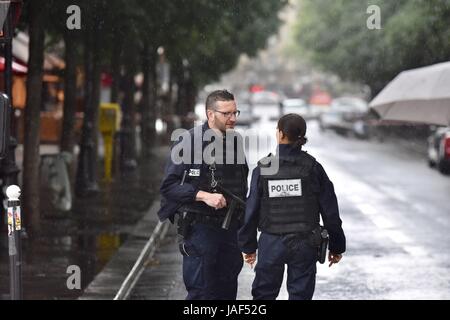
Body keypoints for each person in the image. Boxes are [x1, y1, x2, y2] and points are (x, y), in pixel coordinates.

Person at [238, 113, 346, 300]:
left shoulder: (264, 168)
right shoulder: (313, 168)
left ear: (279, 134)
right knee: (300, 296)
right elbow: (330, 213)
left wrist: (248, 247)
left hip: (271, 243)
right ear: (301, 136)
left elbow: (251, 210)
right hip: (305, 244)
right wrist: (337, 247)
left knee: (263, 296)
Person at [158, 90, 249, 300]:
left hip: (229, 231)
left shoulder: (235, 142)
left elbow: (241, 186)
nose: (233, 118)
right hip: (200, 230)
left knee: (226, 292)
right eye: (226, 113)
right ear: (210, 114)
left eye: (236, 112)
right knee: (201, 294)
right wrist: (204, 195)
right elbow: (169, 186)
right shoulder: (188, 142)